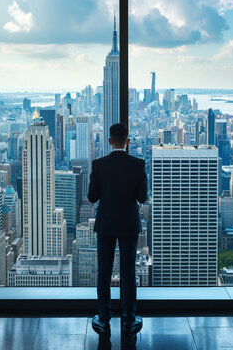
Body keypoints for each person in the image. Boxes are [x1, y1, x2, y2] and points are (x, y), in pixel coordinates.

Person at [88, 123, 148, 336]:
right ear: (128, 141)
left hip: (105, 224)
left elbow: (91, 197)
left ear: (110, 141)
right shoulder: (138, 165)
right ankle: (129, 319)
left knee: (104, 271)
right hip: (129, 224)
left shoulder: (98, 164)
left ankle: (103, 319)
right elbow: (143, 197)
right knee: (128, 272)